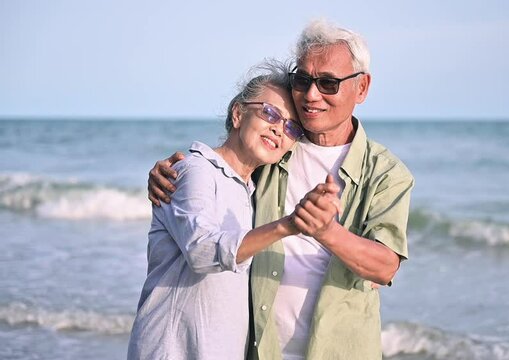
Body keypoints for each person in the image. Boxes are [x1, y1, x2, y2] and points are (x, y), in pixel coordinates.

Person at [148, 20, 415, 359]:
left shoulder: (386, 173)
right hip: (260, 349)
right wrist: (168, 174)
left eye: (328, 83)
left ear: (361, 88)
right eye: (302, 80)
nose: (312, 95)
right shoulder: (276, 149)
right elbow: (222, 172)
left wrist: (326, 231)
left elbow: (385, 266)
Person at [128, 60, 341, 360]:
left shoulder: (252, 193)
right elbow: (202, 252)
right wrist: (288, 225)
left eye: (290, 127)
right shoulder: (195, 170)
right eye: (270, 113)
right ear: (238, 113)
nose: (278, 129)